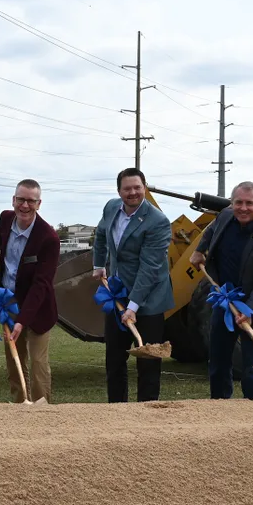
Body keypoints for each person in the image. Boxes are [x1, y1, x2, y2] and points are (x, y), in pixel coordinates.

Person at [190, 181, 253, 400]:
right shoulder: (225, 216)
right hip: (224, 304)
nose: (243, 208)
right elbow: (210, 230)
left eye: (249, 203)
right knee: (218, 364)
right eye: (238, 203)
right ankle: (220, 409)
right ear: (232, 203)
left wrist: (250, 309)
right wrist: (199, 250)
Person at [92, 168, 174, 402]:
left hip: (149, 300)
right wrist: (99, 264)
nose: (133, 193)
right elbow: (100, 235)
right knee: (114, 359)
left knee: (148, 362)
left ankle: (147, 414)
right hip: (117, 293)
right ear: (119, 191)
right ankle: (117, 410)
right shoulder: (111, 207)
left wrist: (133, 306)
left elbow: (150, 268)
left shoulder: (157, 222)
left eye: (137, 187)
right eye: (127, 188)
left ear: (145, 188)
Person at [0, 179, 60, 403]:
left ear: (39, 203)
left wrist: (21, 321)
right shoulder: (6, 218)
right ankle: (18, 404)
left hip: (38, 307)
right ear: (13, 200)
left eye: (31, 201)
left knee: (37, 362)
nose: (25, 206)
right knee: (14, 359)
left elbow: (41, 285)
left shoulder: (49, 239)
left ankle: (41, 408)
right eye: (21, 200)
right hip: (9, 302)